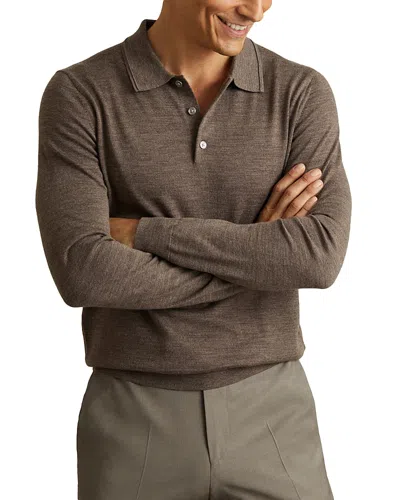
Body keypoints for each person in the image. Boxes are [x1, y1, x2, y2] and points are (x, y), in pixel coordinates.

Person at [36, 0, 352, 498]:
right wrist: (257, 254)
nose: (256, 10)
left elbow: (318, 256)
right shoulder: (81, 93)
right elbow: (84, 272)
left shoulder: (299, 91)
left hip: (275, 415)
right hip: (133, 420)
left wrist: (145, 233)